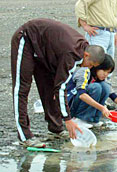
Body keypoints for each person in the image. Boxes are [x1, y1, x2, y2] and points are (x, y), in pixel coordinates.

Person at [11, 18, 105, 147]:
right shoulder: (70, 54)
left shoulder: (82, 49)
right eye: (90, 64)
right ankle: (25, 136)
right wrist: (68, 119)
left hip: (44, 51)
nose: (88, 68)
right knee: (21, 88)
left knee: (49, 86)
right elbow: (61, 88)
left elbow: (58, 85)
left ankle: (56, 128)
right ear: (87, 55)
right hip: (27, 38)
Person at [67, 54, 117, 128]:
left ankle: (93, 120)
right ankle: (80, 119)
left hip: (80, 103)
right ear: (97, 66)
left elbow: (114, 97)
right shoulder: (84, 72)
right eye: (104, 71)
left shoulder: (101, 79)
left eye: (108, 72)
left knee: (105, 87)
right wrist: (102, 108)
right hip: (71, 106)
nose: (105, 74)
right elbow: (82, 95)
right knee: (96, 87)